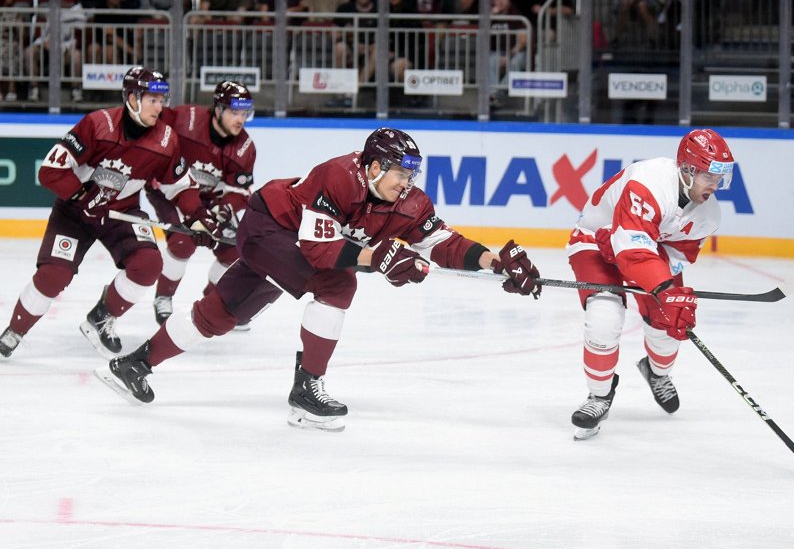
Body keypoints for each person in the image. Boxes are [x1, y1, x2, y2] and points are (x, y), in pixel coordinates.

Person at [95, 127, 542, 433]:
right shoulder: (340, 177)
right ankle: (306, 390)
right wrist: (377, 257)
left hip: (286, 244)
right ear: (371, 167)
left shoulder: (410, 202)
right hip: (269, 227)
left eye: (412, 174)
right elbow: (319, 252)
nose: (407, 183)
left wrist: (495, 261)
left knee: (220, 313)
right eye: (400, 173)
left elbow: (443, 242)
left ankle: (134, 363)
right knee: (337, 285)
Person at [0, 68, 188, 360]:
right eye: (152, 99)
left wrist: (197, 215)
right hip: (74, 214)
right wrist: (81, 195)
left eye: (162, 99)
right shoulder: (97, 124)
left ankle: (101, 317)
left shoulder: (166, 139)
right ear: (131, 98)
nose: (159, 106)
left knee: (149, 264)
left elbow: (180, 186)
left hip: (121, 213)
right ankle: (15, 330)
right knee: (53, 276)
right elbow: (50, 171)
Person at [565, 129, 735, 438]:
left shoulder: (708, 214)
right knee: (604, 317)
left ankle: (657, 373)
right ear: (687, 168)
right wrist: (664, 289)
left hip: (644, 249)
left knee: (670, 322)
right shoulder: (648, 181)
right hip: (595, 241)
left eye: (720, 177)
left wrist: (669, 297)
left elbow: (676, 254)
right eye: (709, 176)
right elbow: (631, 249)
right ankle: (599, 395)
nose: (715, 185)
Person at [144, 81, 258, 326]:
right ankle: (163, 297)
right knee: (183, 241)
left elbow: (238, 192)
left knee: (234, 249)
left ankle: (214, 302)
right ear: (217, 110)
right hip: (168, 190)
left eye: (244, 113)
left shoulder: (245, 148)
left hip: (208, 200)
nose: (240, 119)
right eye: (234, 112)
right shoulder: (185, 120)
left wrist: (219, 212)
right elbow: (149, 124)